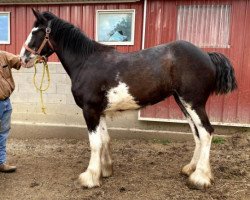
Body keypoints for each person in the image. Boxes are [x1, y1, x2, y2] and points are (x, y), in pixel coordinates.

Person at [0, 50, 22, 173]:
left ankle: (1, 162)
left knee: (3, 133)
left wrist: (36, 59)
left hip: (6, 103)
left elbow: (20, 60)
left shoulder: (3, 55)